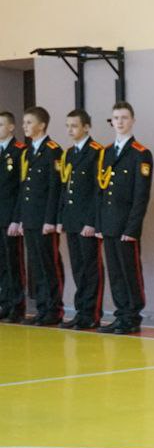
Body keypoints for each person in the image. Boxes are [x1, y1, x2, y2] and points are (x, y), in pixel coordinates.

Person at [96, 102, 153, 335]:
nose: (119, 122)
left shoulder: (140, 153)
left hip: (126, 224)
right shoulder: (106, 152)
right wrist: (99, 224)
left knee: (130, 272)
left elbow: (141, 196)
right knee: (115, 273)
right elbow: (100, 192)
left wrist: (132, 228)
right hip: (108, 223)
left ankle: (132, 316)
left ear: (133, 121)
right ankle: (121, 314)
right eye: (115, 118)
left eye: (124, 118)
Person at [8, 106, 63, 325]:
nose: (25, 126)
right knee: (36, 265)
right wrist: (20, 218)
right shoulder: (28, 152)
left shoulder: (53, 150)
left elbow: (54, 188)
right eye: (24, 123)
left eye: (29, 122)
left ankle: (53, 310)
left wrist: (50, 219)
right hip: (30, 218)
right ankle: (42, 308)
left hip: (43, 219)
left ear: (42, 125)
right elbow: (24, 188)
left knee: (48, 264)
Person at [57, 109, 105, 329]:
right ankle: (81, 311)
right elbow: (65, 188)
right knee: (77, 267)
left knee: (90, 267)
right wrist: (61, 217)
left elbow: (97, 191)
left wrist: (92, 221)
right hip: (72, 220)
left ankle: (92, 313)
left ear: (86, 127)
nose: (70, 130)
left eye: (74, 126)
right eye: (67, 126)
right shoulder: (69, 153)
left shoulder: (96, 152)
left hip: (87, 221)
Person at [0, 112, 26, 322]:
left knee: (13, 263)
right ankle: (4, 303)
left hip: (10, 217)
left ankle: (17, 306)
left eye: (0, 124)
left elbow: (21, 189)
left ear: (11, 127)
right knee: (1, 264)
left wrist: (17, 218)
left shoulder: (19, 151)